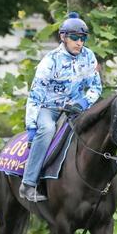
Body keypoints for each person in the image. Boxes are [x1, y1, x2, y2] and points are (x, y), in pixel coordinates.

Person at [19, 12, 102, 202]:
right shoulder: (50, 61)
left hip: (76, 109)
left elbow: (96, 87)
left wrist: (84, 102)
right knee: (47, 130)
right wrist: (31, 126)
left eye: (83, 38)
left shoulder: (89, 57)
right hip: (48, 109)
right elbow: (35, 95)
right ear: (63, 37)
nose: (79, 42)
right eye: (74, 38)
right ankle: (29, 183)